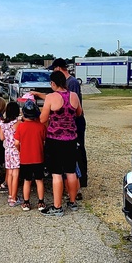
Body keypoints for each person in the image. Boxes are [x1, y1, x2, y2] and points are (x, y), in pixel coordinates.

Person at [40, 70, 82, 216]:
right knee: (70, 171)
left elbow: (42, 119)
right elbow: (79, 113)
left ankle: (57, 207)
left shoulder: (51, 97)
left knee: (56, 173)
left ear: (53, 83)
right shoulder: (74, 96)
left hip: (55, 139)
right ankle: (72, 202)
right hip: (71, 139)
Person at [49, 57, 87, 194]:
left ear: (59, 68)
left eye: (54, 69)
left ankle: (80, 181)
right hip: (70, 124)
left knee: (77, 153)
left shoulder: (72, 83)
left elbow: (76, 108)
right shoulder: (66, 85)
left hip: (75, 123)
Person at [16, 100, 46, 212]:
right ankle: (41, 201)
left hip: (25, 158)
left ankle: (26, 202)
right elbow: (44, 140)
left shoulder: (21, 127)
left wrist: (20, 150)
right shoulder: (41, 127)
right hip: (38, 157)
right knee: (39, 180)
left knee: (27, 180)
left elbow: (16, 143)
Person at [0, 101, 22, 206]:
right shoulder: (18, 123)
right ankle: (14, 198)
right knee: (15, 174)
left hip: (7, 150)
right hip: (16, 150)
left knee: (10, 173)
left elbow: (1, 137)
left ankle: (10, 196)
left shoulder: (2, 123)